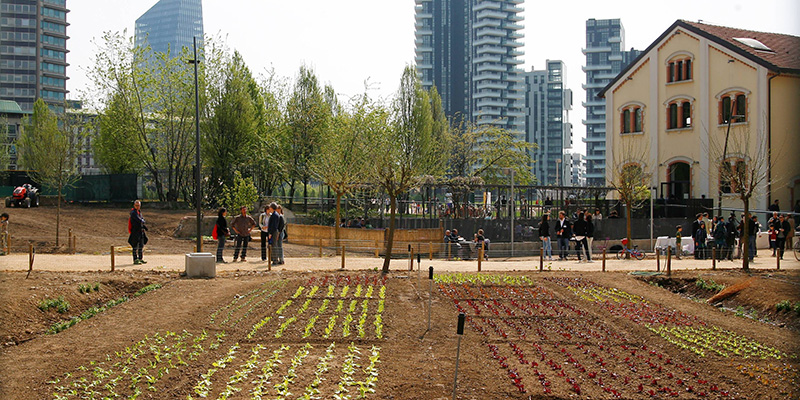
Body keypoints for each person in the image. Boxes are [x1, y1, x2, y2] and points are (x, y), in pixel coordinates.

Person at [128, 200, 147, 265]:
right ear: (134, 205)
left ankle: (140, 258)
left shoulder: (139, 212)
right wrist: (142, 221)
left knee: (141, 245)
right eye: (136, 205)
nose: (138, 207)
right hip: (135, 231)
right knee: (135, 246)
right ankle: (135, 259)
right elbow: (139, 220)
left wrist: (143, 223)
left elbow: (143, 220)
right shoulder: (133, 213)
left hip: (140, 231)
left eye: (139, 205)